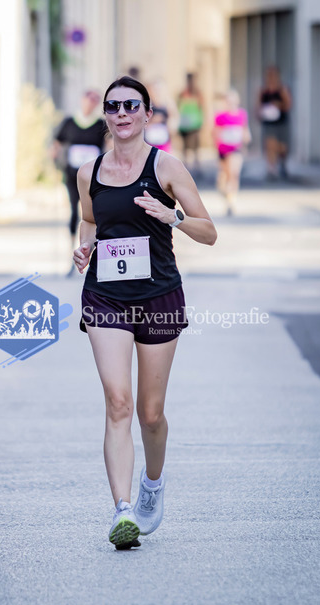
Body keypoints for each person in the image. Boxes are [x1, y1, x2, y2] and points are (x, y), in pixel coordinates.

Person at [73, 76, 217, 550]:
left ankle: (152, 484)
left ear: (147, 114)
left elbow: (209, 232)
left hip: (158, 296)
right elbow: (89, 220)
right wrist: (84, 247)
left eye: (131, 106)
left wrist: (171, 215)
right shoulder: (89, 173)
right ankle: (122, 510)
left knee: (150, 414)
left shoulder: (167, 166)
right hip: (106, 297)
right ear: (105, 115)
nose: (122, 114)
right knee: (119, 402)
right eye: (113, 106)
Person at [53, 90, 107, 272]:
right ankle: (73, 254)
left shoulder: (100, 124)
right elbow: (57, 142)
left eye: (94, 101)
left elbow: (108, 144)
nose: (90, 104)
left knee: (94, 212)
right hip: (72, 175)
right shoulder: (69, 122)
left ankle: (96, 252)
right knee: (73, 211)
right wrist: (55, 159)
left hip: (94, 177)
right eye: (88, 100)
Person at [213, 89, 251, 216]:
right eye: (228, 101)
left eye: (233, 101)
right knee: (225, 175)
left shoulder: (242, 114)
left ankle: (231, 201)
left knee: (234, 174)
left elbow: (244, 129)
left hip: (236, 149)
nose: (231, 103)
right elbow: (215, 133)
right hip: (223, 150)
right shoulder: (220, 116)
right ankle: (224, 189)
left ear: (237, 101)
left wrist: (246, 137)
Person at [257, 66, 291, 179]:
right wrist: (260, 113)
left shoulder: (282, 89)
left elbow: (288, 105)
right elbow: (258, 106)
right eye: (269, 75)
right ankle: (271, 168)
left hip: (281, 122)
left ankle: (282, 163)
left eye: (273, 75)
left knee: (282, 147)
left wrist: (278, 105)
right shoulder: (263, 91)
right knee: (270, 144)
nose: (270, 77)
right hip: (268, 122)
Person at [144, 78, 179, 153]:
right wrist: (152, 121)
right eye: (154, 89)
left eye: (159, 89)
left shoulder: (168, 103)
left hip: (164, 139)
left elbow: (174, 117)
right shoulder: (147, 104)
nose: (157, 92)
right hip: (149, 139)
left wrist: (171, 126)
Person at [178, 72, 204, 173]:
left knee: (195, 148)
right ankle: (185, 168)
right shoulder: (182, 93)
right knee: (185, 148)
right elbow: (179, 108)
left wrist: (201, 122)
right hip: (185, 125)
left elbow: (201, 108)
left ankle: (197, 168)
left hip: (195, 125)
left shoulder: (198, 93)